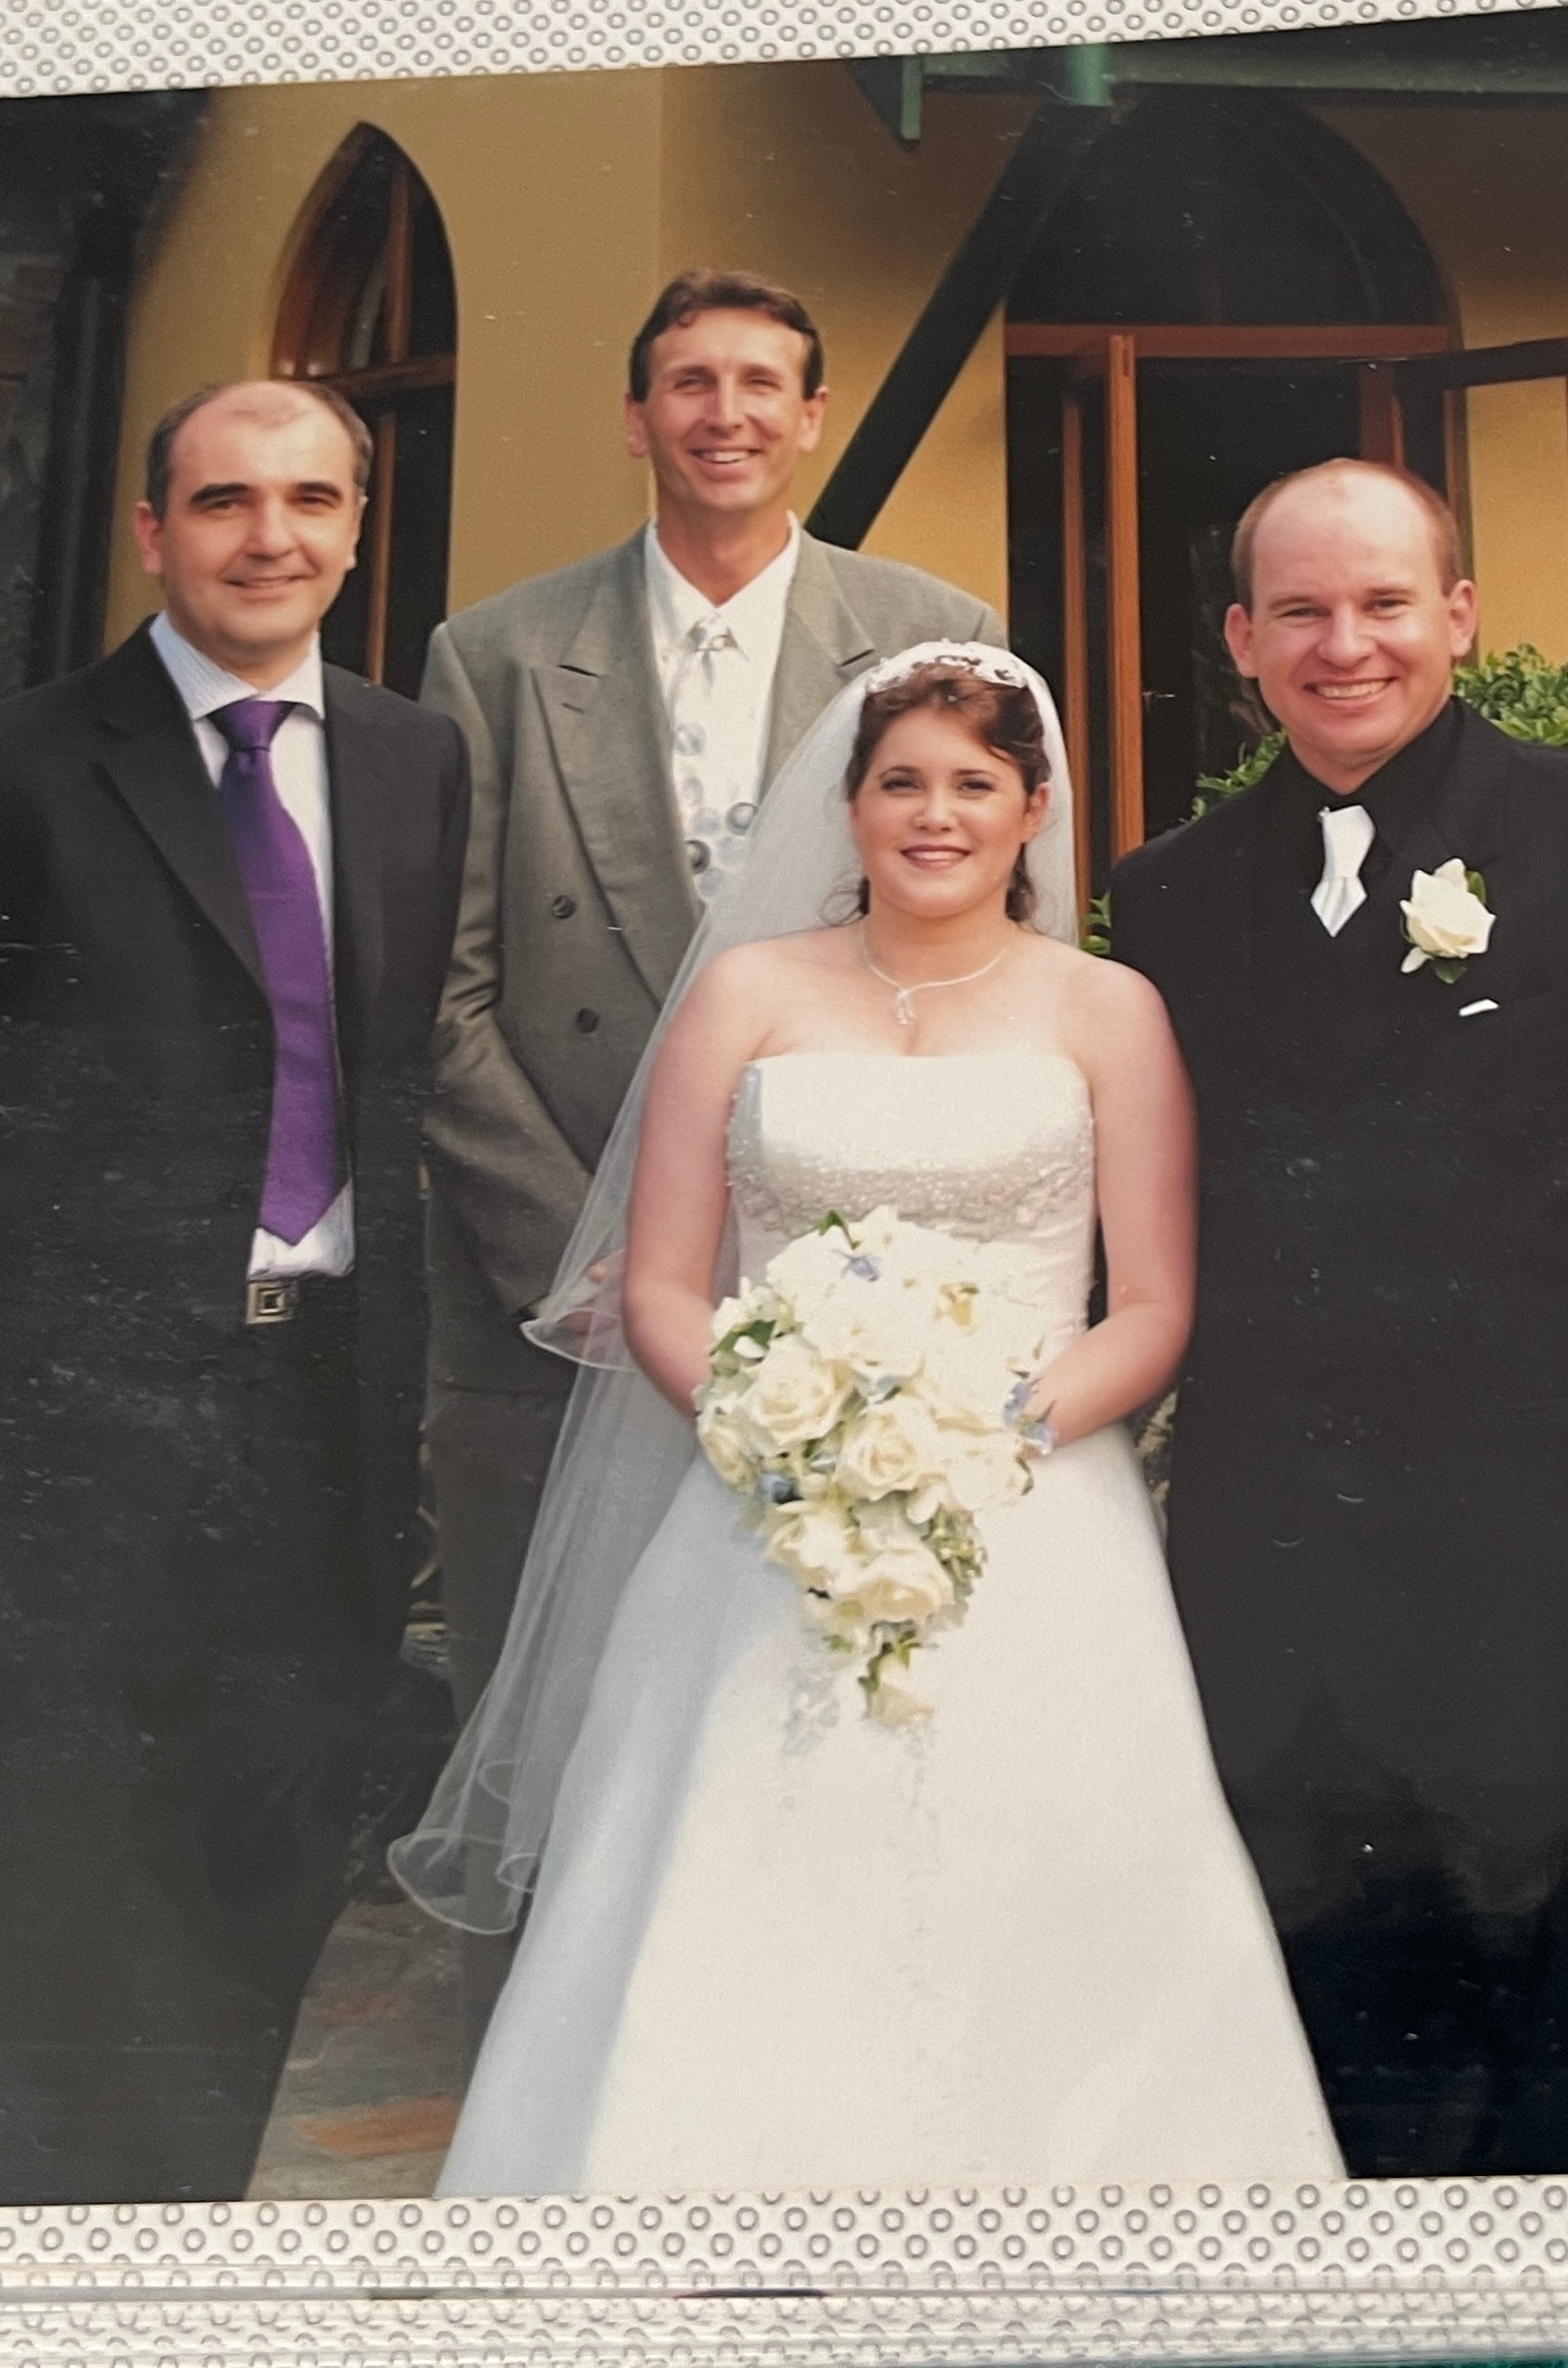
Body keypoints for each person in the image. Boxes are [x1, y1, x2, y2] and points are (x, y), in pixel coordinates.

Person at [390, 645, 1338, 2192]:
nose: (934, 813)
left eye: (974, 782)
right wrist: (788, 1431)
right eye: (900, 779)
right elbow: (663, 1285)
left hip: (1035, 1515)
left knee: (1048, 1876)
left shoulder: (1107, 1007)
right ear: (848, 804)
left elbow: (1153, 1303)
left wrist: (992, 1436)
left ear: (1034, 807)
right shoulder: (745, 995)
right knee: (744, 1877)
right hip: (762, 1510)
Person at [1104, 459, 1568, 2179]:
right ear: (1239, 639)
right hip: (1289, 1628)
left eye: (1380, 603)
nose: (1341, 645)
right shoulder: (1175, 892)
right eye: (1298, 610)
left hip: (1565, 1620)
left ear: (1458, 615)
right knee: (1348, 2134)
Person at [0, 379, 470, 2206]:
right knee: (11, 1920)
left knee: (243, 1906)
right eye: (229, 499)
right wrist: (41, 1339)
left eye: (313, 499)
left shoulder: (413, 762)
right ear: (154, 529)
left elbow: (383, 1075)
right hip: (50, 1461)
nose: (275, 537)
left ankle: (166, 2278)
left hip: (311, 1430)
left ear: (354, 525)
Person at [416, 269, 1001, 1782]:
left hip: (850, 1302)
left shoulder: (933, 632)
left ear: (809, 417)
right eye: (689, 382)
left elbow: (991, 973)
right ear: (635, 417)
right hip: (566, 1305)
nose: (723, 414)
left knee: (820, 1725)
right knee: (554, 1739)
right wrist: (589, 1258)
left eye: (759, 384)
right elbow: (446, 995)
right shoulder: (492, 654)